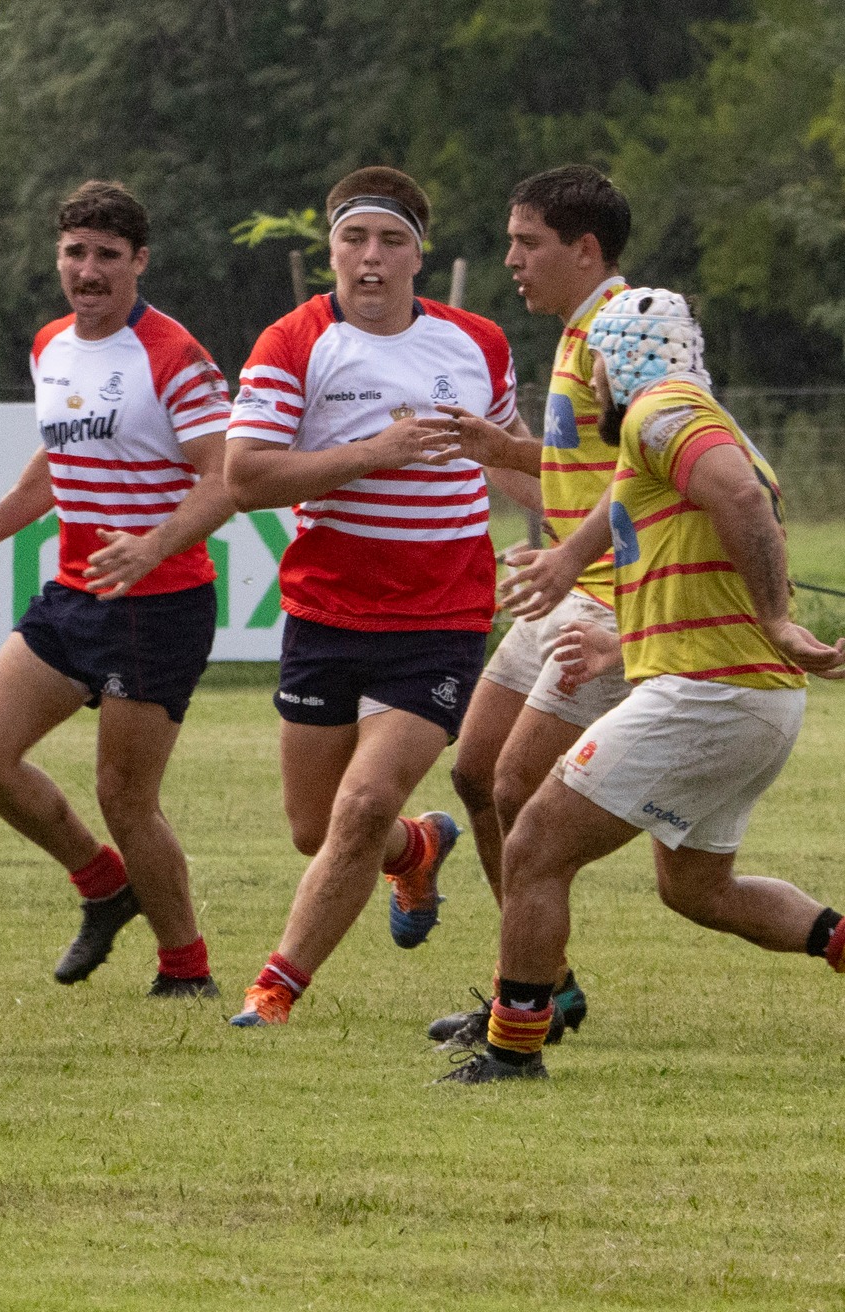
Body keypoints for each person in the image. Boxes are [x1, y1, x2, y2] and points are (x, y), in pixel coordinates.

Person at [435, 288, 845, 1082]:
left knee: (535, 844)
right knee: (699, 890)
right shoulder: (670, 432)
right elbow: (691, 564)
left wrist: (779, 619)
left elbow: (740, 502)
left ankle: (514, 1049)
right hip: (747, 700)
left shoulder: (664, 414)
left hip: (709, 697)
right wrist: (623, 644)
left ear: (606, 369)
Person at [0, 181, 234, 996]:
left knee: (127, 800)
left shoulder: (174, 357)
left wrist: (151, 547)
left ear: (139, 263)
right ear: (58, 257)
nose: (88, 271)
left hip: (159, 606)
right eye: (75, 253)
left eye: (107, 256)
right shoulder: (52, 343)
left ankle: (185, 970)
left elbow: (226, 478)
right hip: (75, 594)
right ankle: (102, 885)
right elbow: (59, 463)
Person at [224, 166, 529, 1028]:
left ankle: (274, 989)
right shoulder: (292, 341)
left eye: (391, 242)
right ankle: (418, 846)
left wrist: (592, 541)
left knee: (360, 806)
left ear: (418, 258)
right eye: (355, 239)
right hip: (326, 613)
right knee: (318, 829)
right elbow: (245, 477)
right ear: (332, 250)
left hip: (442, 616)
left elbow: (512, 463)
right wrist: (372, 452)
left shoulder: (478, 343)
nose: (371, 258)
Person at [429, 165, 635, 1050]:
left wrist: (568, 558)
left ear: (583, 250)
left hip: (612, 604)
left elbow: (660, 470)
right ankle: (547, 980)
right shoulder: (572, 331)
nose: (512, 258)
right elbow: (586, 469)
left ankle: (530, 1002)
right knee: (475, 773)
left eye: (528, 243)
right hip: (569, 584)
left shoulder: (624, 333)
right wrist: (497, 446)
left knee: (519, 788)